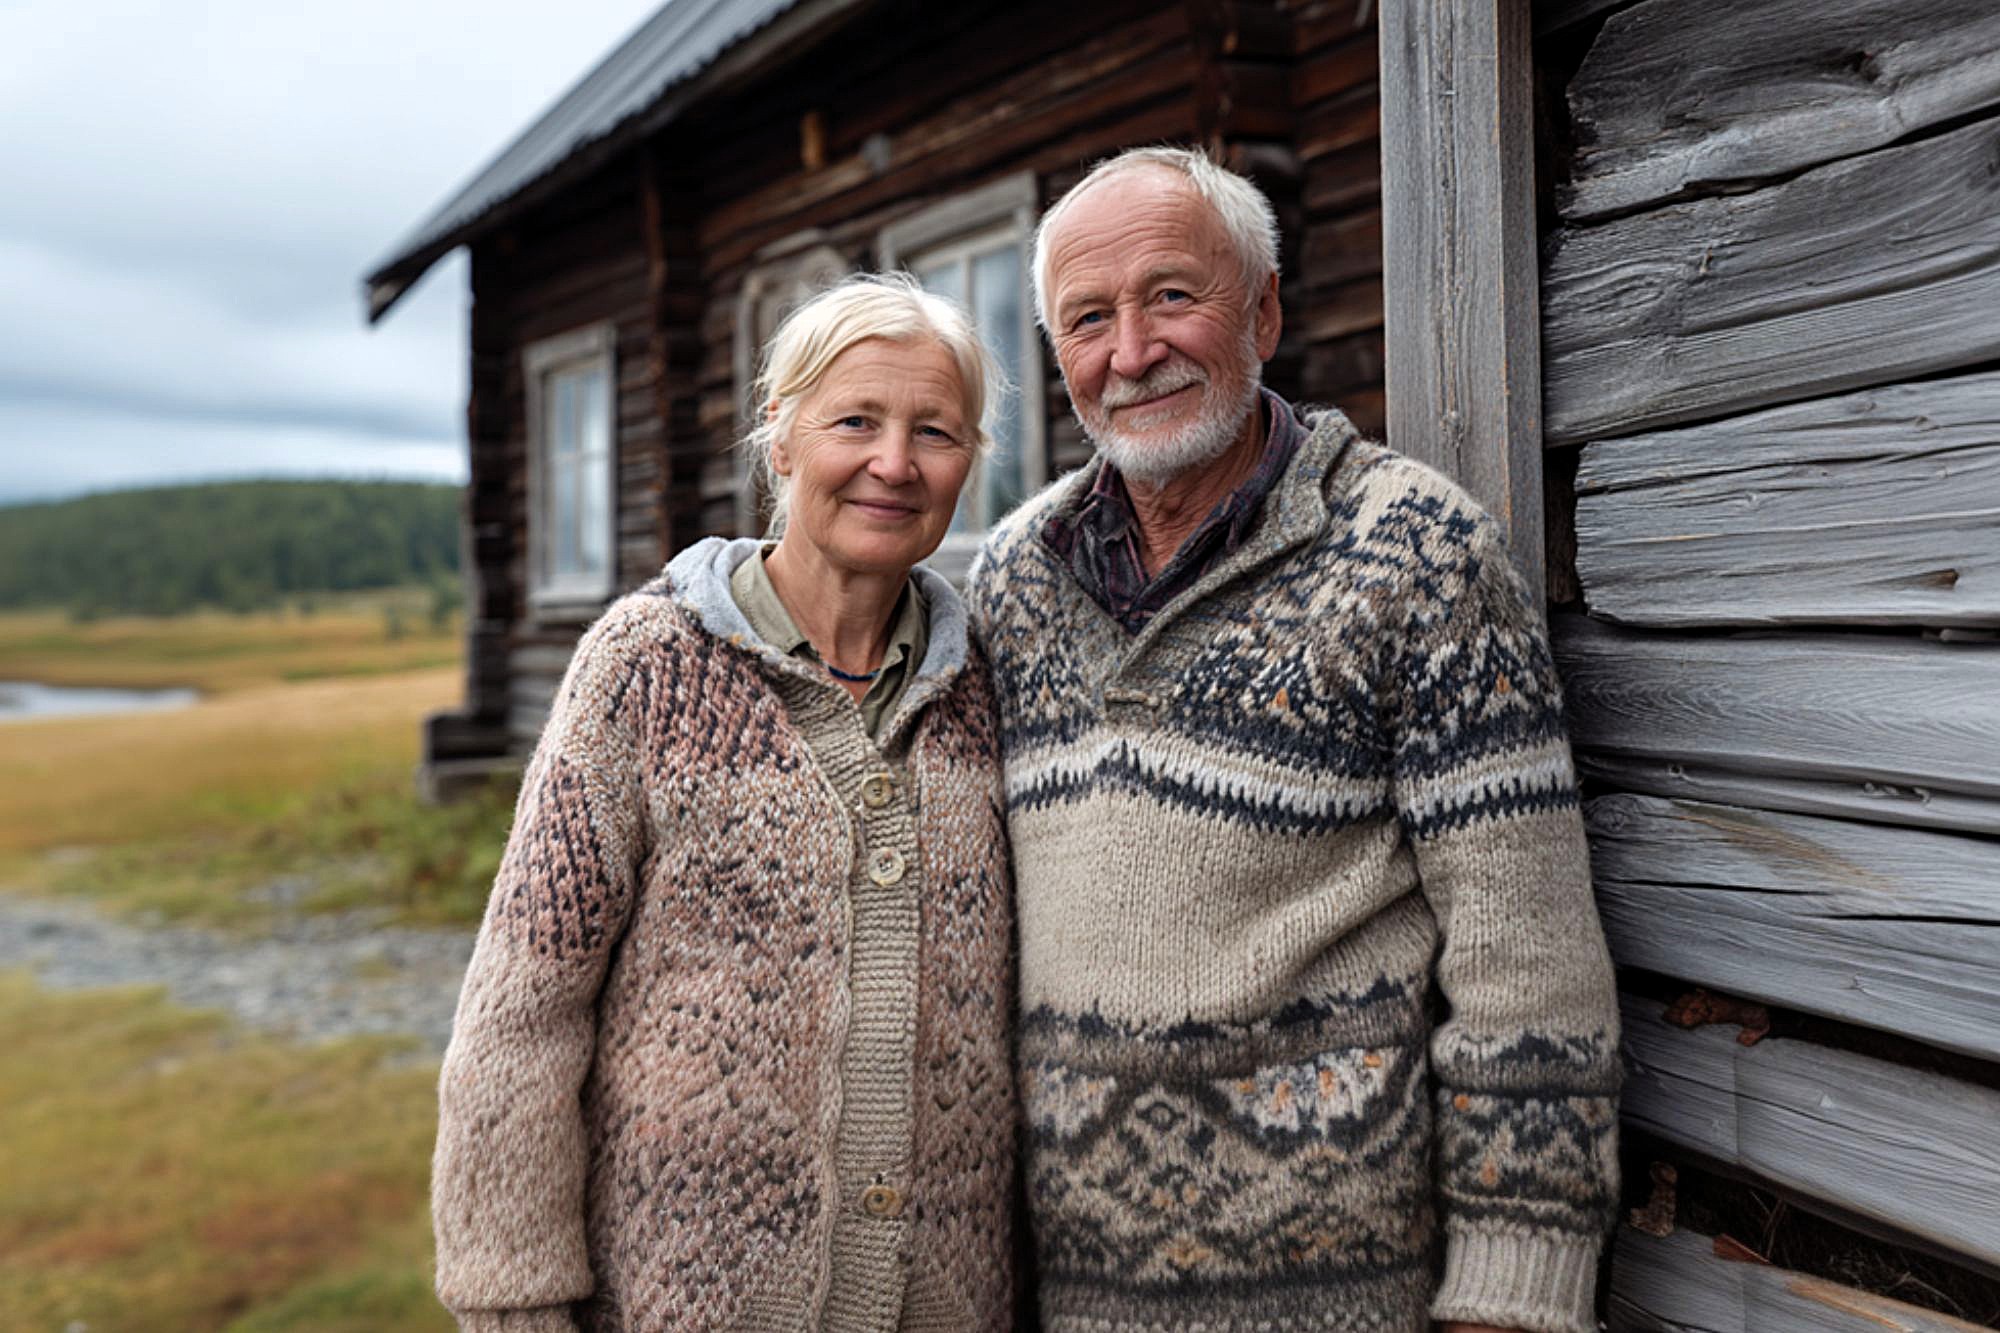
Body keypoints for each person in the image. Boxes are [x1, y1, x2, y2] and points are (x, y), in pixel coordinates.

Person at [967, 147, 1620, 1333]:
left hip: (1345, 1299)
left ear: (1262, 307)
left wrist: (1515, 1293)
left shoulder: (1416, 552)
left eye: (1171, 295)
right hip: (1063, 1297)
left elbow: (1524, 963)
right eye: (1086, 319)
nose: (1130, 351)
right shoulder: (1011, 579)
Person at [432, 273, 1019, 1332]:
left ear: (969, 462)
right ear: (780, 436)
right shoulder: (644, 666)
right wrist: (510, 1298)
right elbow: (522, 1015)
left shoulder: (986, 682)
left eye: (935, 430)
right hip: (685, 1298)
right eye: (855, 420)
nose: (894, 462)